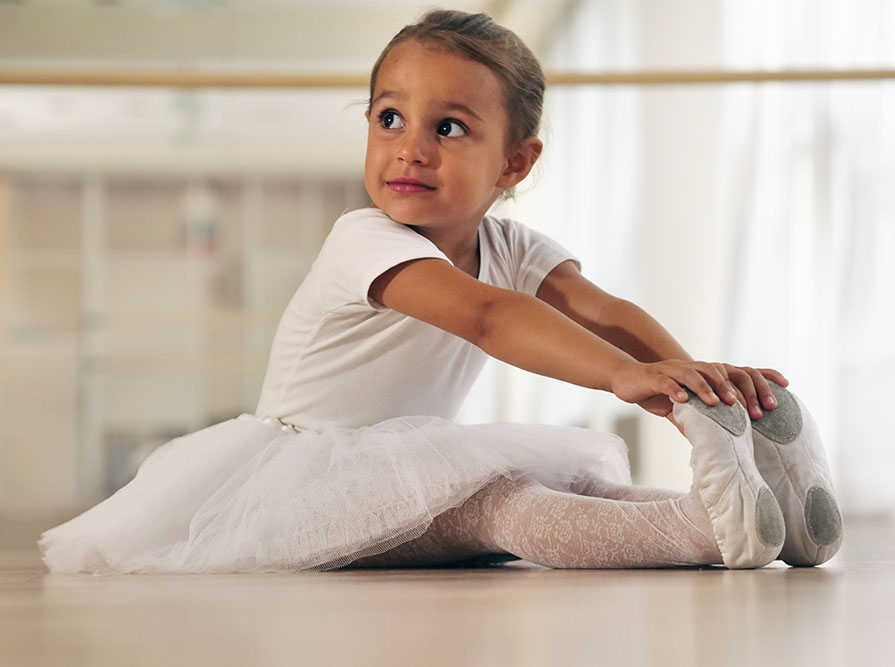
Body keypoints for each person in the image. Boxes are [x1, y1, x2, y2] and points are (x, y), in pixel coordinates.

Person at [38, 9, 842, 574]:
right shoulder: (365, 238)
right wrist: (620, 379)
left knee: (576, 482)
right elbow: (491, 316)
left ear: (514, 163)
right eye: (389, 118)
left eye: (447, 128)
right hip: (310, 480)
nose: (409, 149)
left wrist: (694, 378)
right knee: (500, 509)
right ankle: (708, 532)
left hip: (403, 459)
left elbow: (600, 310)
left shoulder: (512, 244)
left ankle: (765, 509)